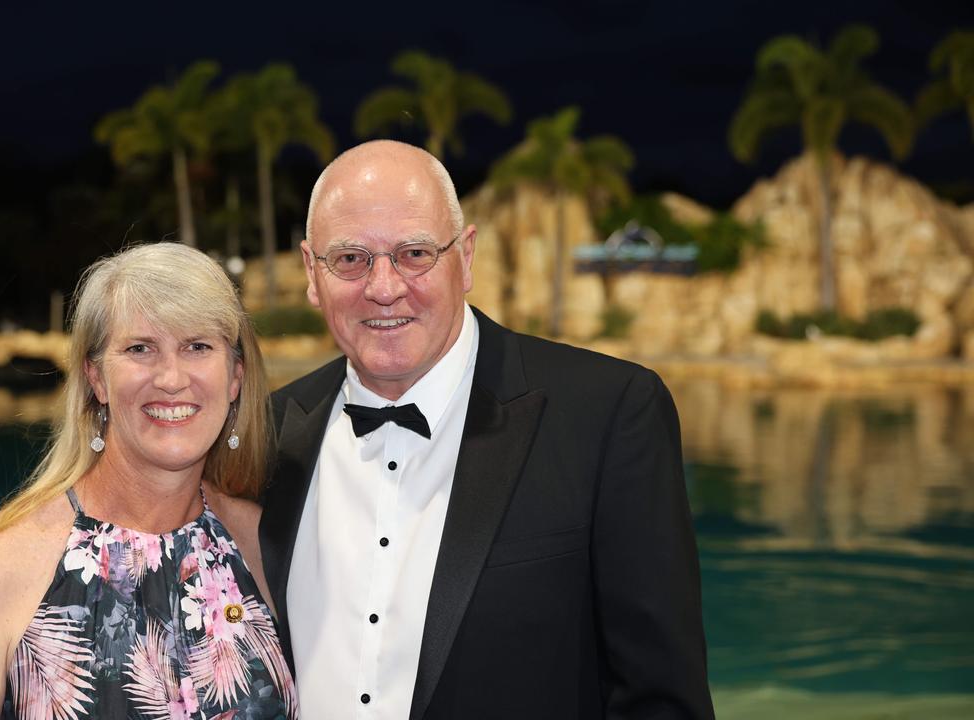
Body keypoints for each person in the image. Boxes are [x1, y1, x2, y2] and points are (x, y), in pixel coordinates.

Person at [260, 140, 714, 719]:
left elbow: (663, 700)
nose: (383, 286)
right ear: (310, 272)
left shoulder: (610, 415)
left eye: (415, 253)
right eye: (350, 258)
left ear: (466, 256)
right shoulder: (268, 435)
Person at [0, 243, 297, 720]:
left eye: (197, 346)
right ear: (96, 379)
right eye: (139, 349)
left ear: (235, 376)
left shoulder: (264, 545)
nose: (172, 378)